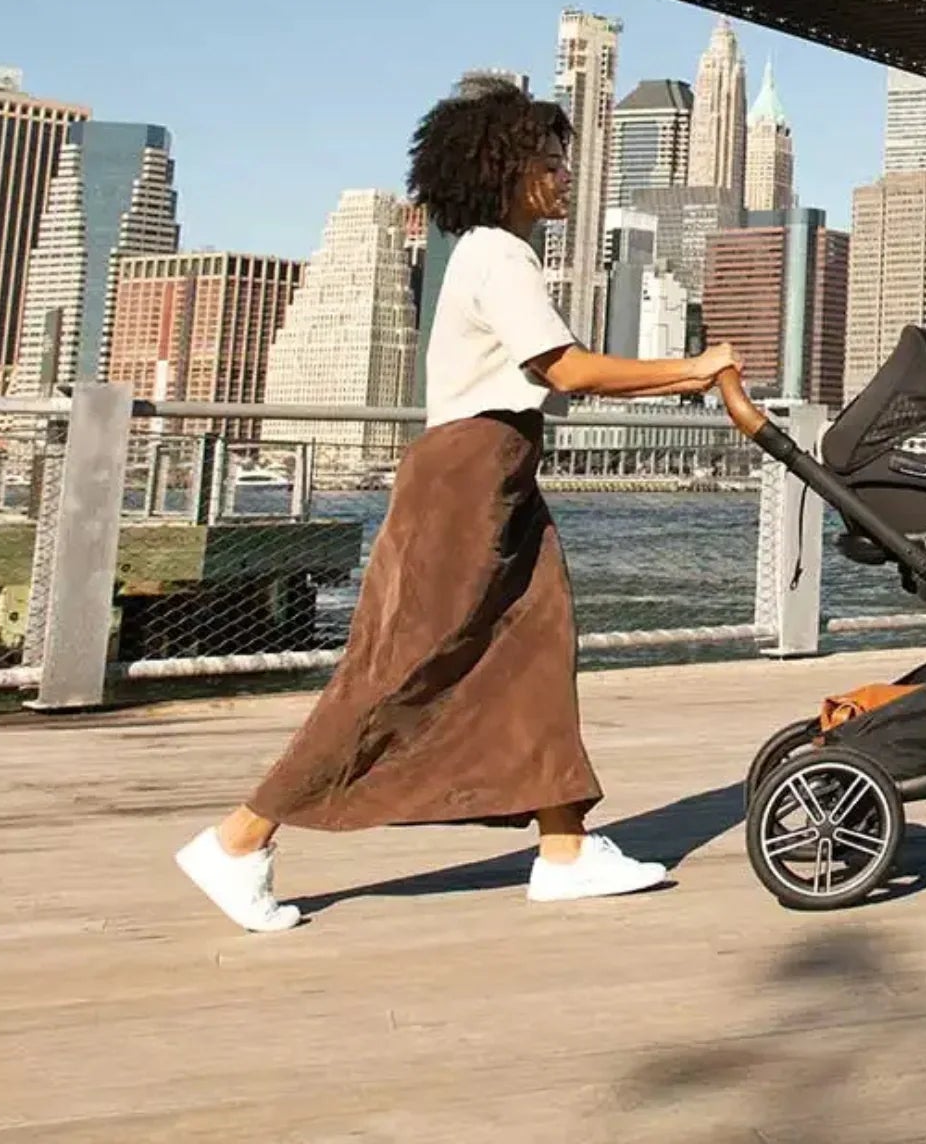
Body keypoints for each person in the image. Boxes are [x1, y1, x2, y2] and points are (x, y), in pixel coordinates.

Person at [175, 82, 741, 930]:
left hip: (499, 470)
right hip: (468, 476)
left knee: (537, 648)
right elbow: (567, 369)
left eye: (563, 161)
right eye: (549, 163)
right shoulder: (496, 255)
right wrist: (694, 367)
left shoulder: (495, 253)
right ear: (504, 171)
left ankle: (564, 849)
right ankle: (238, 841)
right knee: (401, 667)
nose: (562, 176)